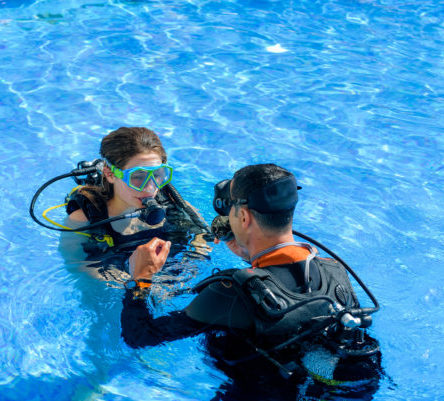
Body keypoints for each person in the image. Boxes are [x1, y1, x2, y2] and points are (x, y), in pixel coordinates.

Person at [120, 163, 382, 400]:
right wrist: (251, 254)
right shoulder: (335, 271)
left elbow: (140, 336)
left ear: (243, 217)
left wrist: (141, 279)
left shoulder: (230, 292)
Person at [57, 127, 211, 281]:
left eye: (157, 175)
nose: (150, 187)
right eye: (138, 176)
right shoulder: (83, 219)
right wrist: (136, 281)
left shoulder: (173, 203)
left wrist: (188, 267)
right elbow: (76, 264)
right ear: (110, 174)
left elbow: (202, 234)